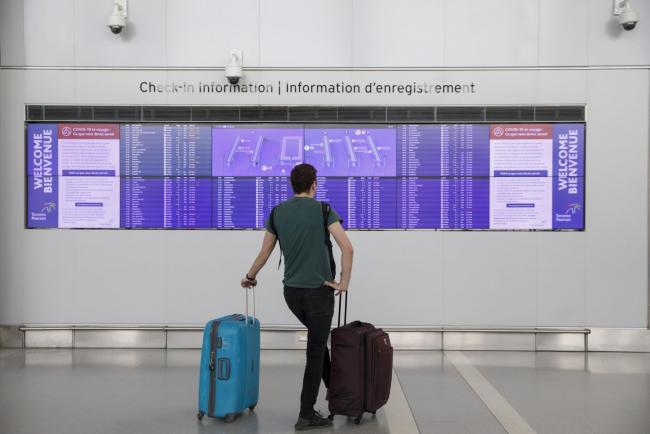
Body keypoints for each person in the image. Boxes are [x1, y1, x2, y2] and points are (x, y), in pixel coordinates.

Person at [240, 163, 354, 431]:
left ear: (292, 185)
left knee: (318, 344)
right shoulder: (324, 210)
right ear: (314, 184)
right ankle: (306, 415)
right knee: (315, 352)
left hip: (291, 294)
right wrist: (344, 283)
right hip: (319, 294)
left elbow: (265, 252)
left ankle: (340, 395)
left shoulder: (278, 212)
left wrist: (250, 276)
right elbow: (348, 248)